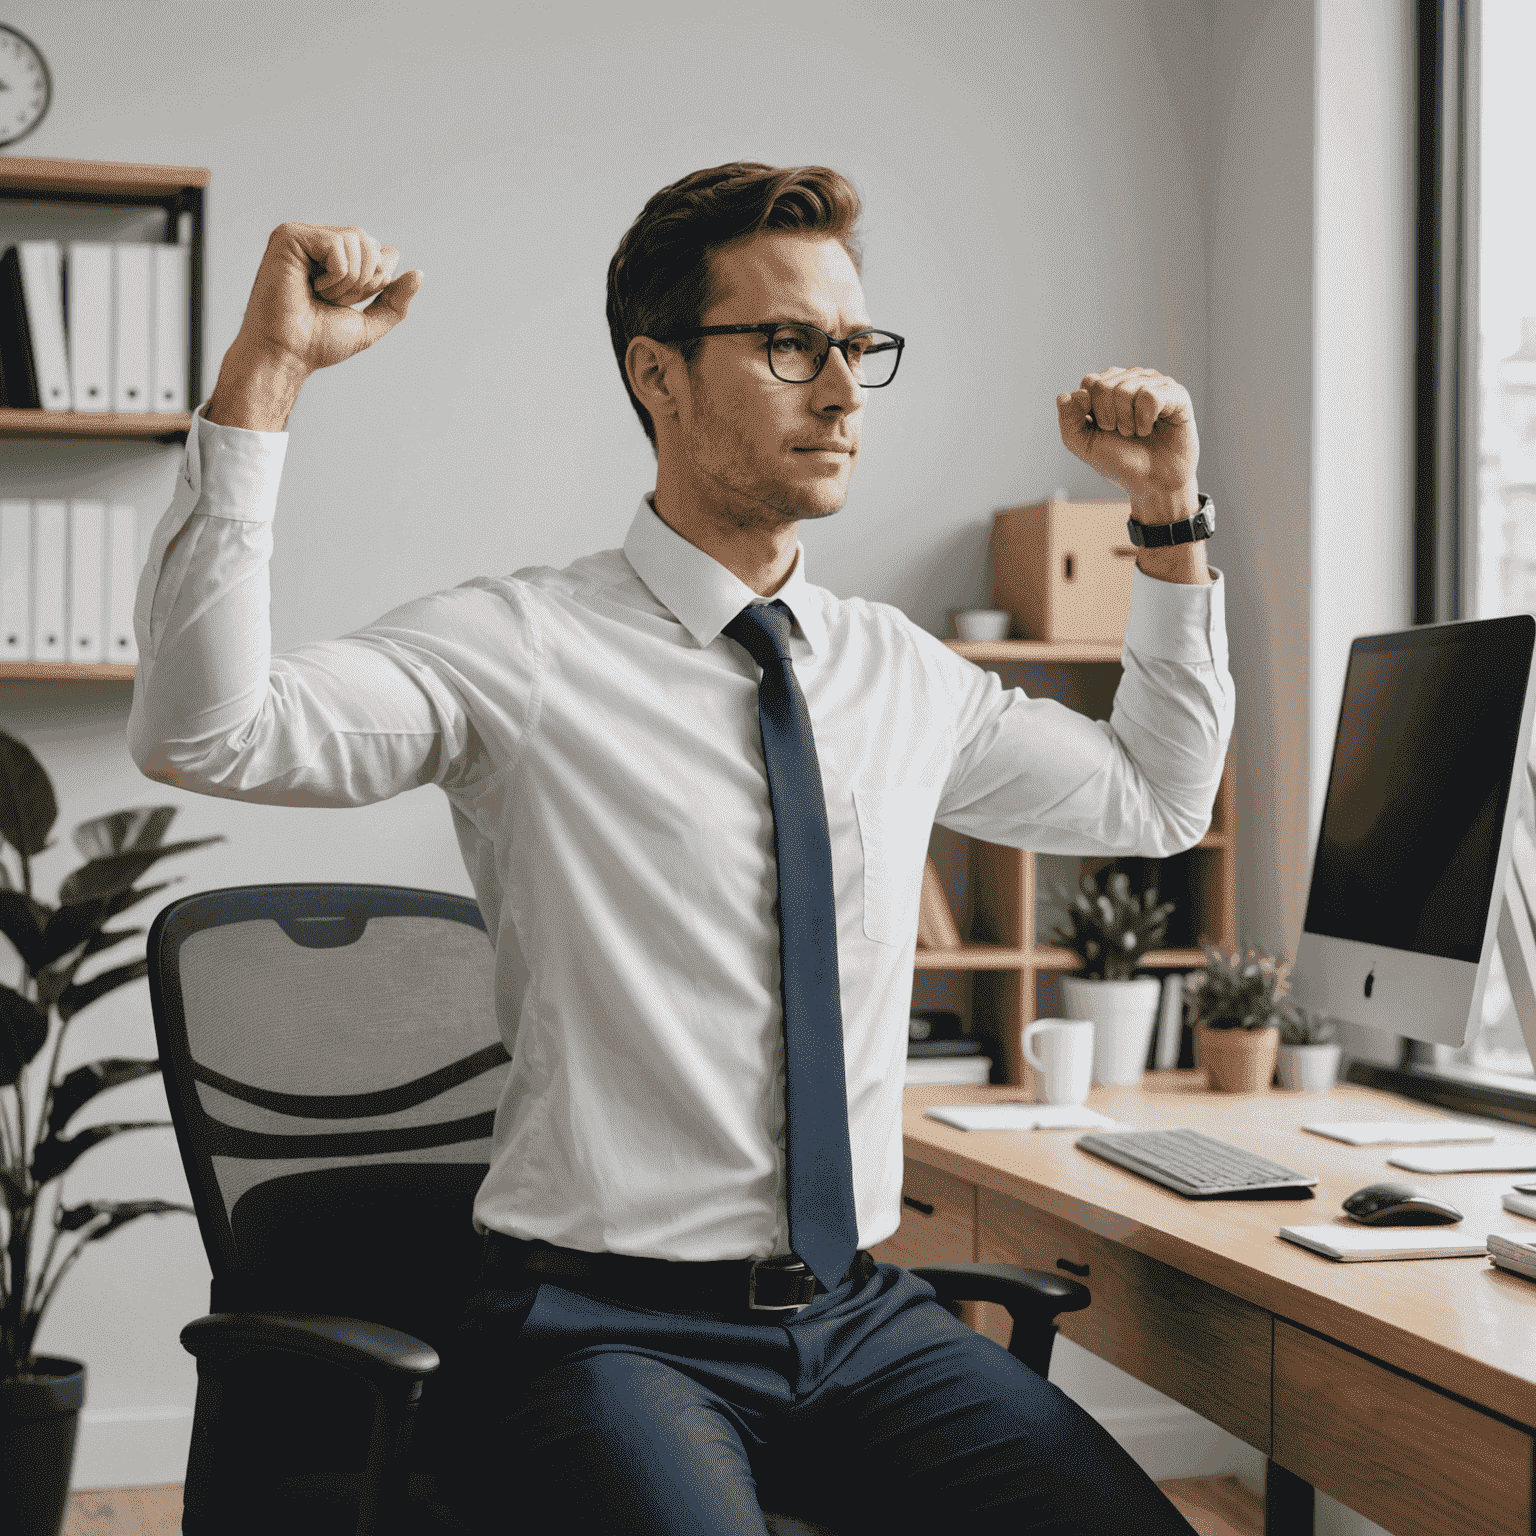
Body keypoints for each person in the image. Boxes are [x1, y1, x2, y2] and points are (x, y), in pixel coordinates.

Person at [128, 161, 1231, 1535]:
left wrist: (1168, 514)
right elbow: (206, 733)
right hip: (600, 1328)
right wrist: (266, 381)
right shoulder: (518, 650)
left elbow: (1156, 802)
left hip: (864, 1317)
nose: (839, 391)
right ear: (657, 373)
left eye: (855, 347)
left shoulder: (900, 673)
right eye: (787, 345)